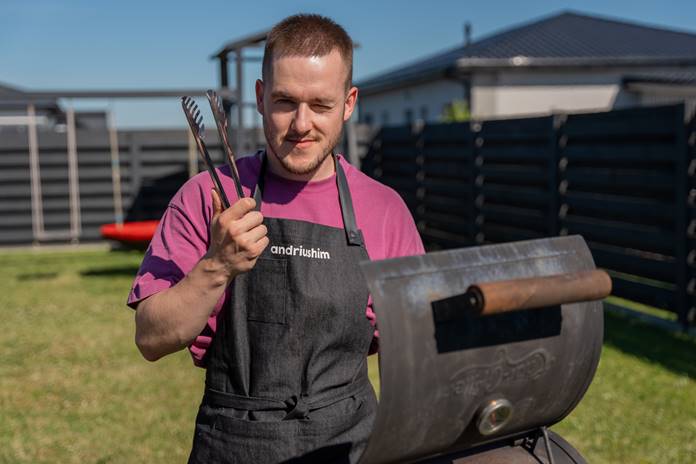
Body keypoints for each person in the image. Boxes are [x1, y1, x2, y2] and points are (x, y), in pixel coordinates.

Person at [128, 13, 424, 464]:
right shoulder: (208, 195)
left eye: (321, 105)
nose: (301, 124)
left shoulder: (384, 211)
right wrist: (217, 264)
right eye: (286, 101)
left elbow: (414, 358)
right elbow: (151, 338)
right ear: (261, 97)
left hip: (350, 444)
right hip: (235, 443)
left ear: (348, 103)